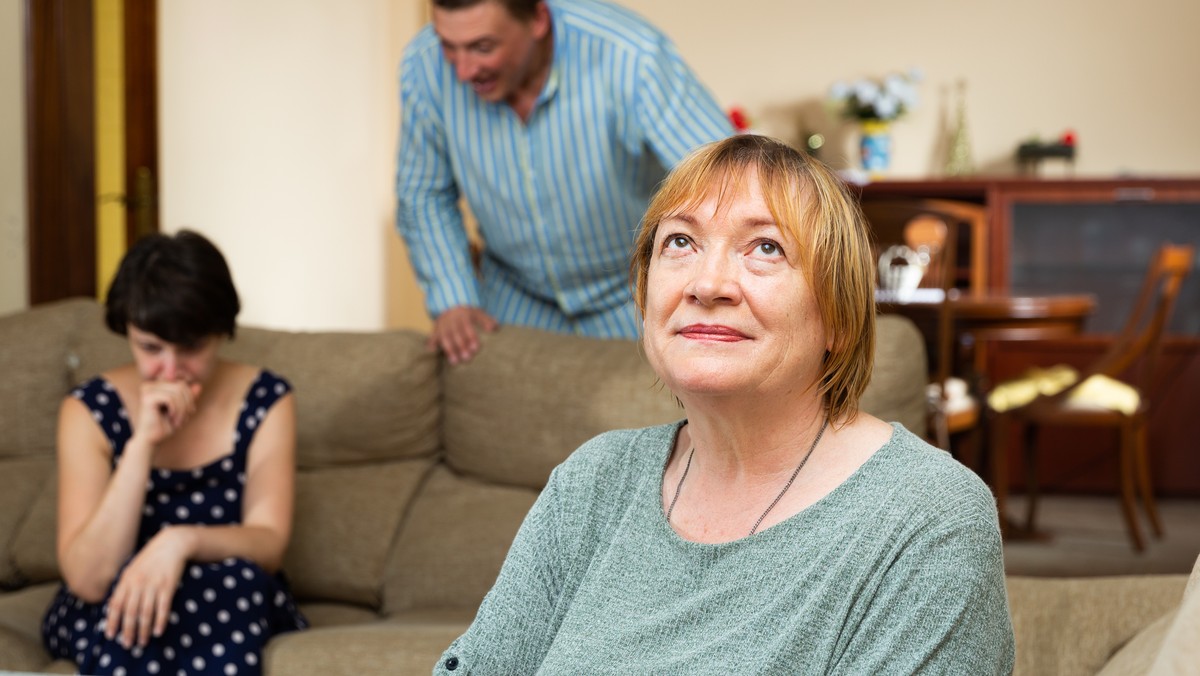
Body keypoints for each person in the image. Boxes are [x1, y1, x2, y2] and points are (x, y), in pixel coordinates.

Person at [433, 135, 1015, 674]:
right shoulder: (591, 483)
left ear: (838, 313)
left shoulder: (929, 517)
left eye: (765, 247)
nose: (707, 283)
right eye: (680, 242)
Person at [396, 0, 732, 364]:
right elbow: (424, 193)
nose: (462, 70)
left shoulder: (632, 56)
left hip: (631, 297)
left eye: (483, 47)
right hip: (512, 301)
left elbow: (728, 181)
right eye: (448, 44)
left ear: (538, 19)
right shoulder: (423, 66)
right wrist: (453, 298)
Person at [41, 231, 307, 675]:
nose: (169, 371)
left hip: (224, 588)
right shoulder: (87, 410)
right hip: (118, 589)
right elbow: (89, 579)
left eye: (191, 349)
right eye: (150, 348)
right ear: (126, 331)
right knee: (127, 611)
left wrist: (179, 541)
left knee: (235, 588)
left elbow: (268, 543)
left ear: (222, 334)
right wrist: (143, 443)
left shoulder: (267, 400)